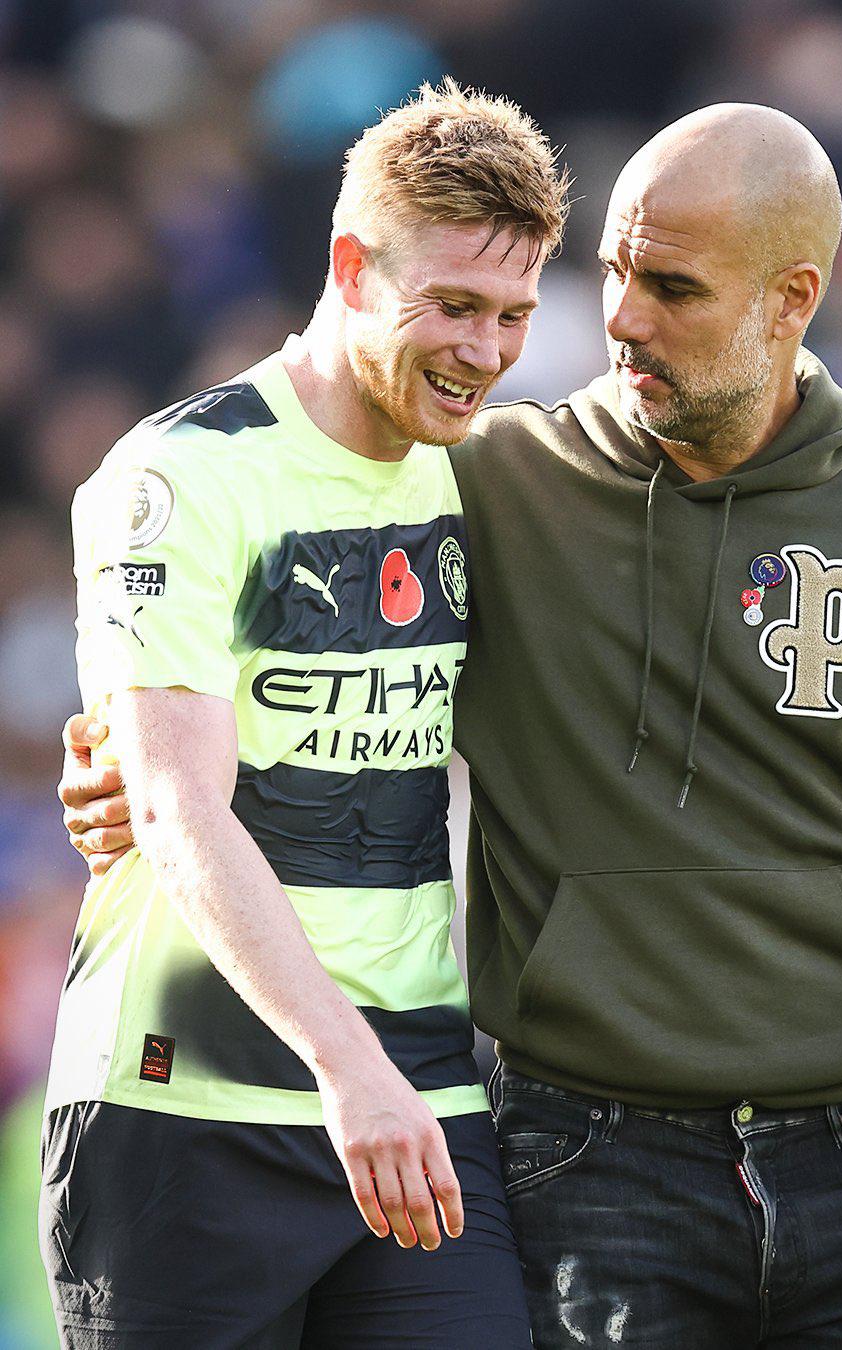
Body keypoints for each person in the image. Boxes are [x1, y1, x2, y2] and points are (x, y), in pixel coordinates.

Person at [60, 105, 842, 1347]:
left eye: (674, 288)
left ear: (791, 299)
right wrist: (138, 777)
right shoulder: (493, 484)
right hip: (566, 1154)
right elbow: (215, 714)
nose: (626, 319)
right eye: (612, 277)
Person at [42, 79, 567, 1350]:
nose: (486, 352)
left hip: (419, 1093)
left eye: (513, 315)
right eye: (452, 305)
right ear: (350, 264)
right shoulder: (183, 472)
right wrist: (348, 1071)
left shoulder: (495, 475)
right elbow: (171, 803)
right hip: (185, 1103)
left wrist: (385, 1082)